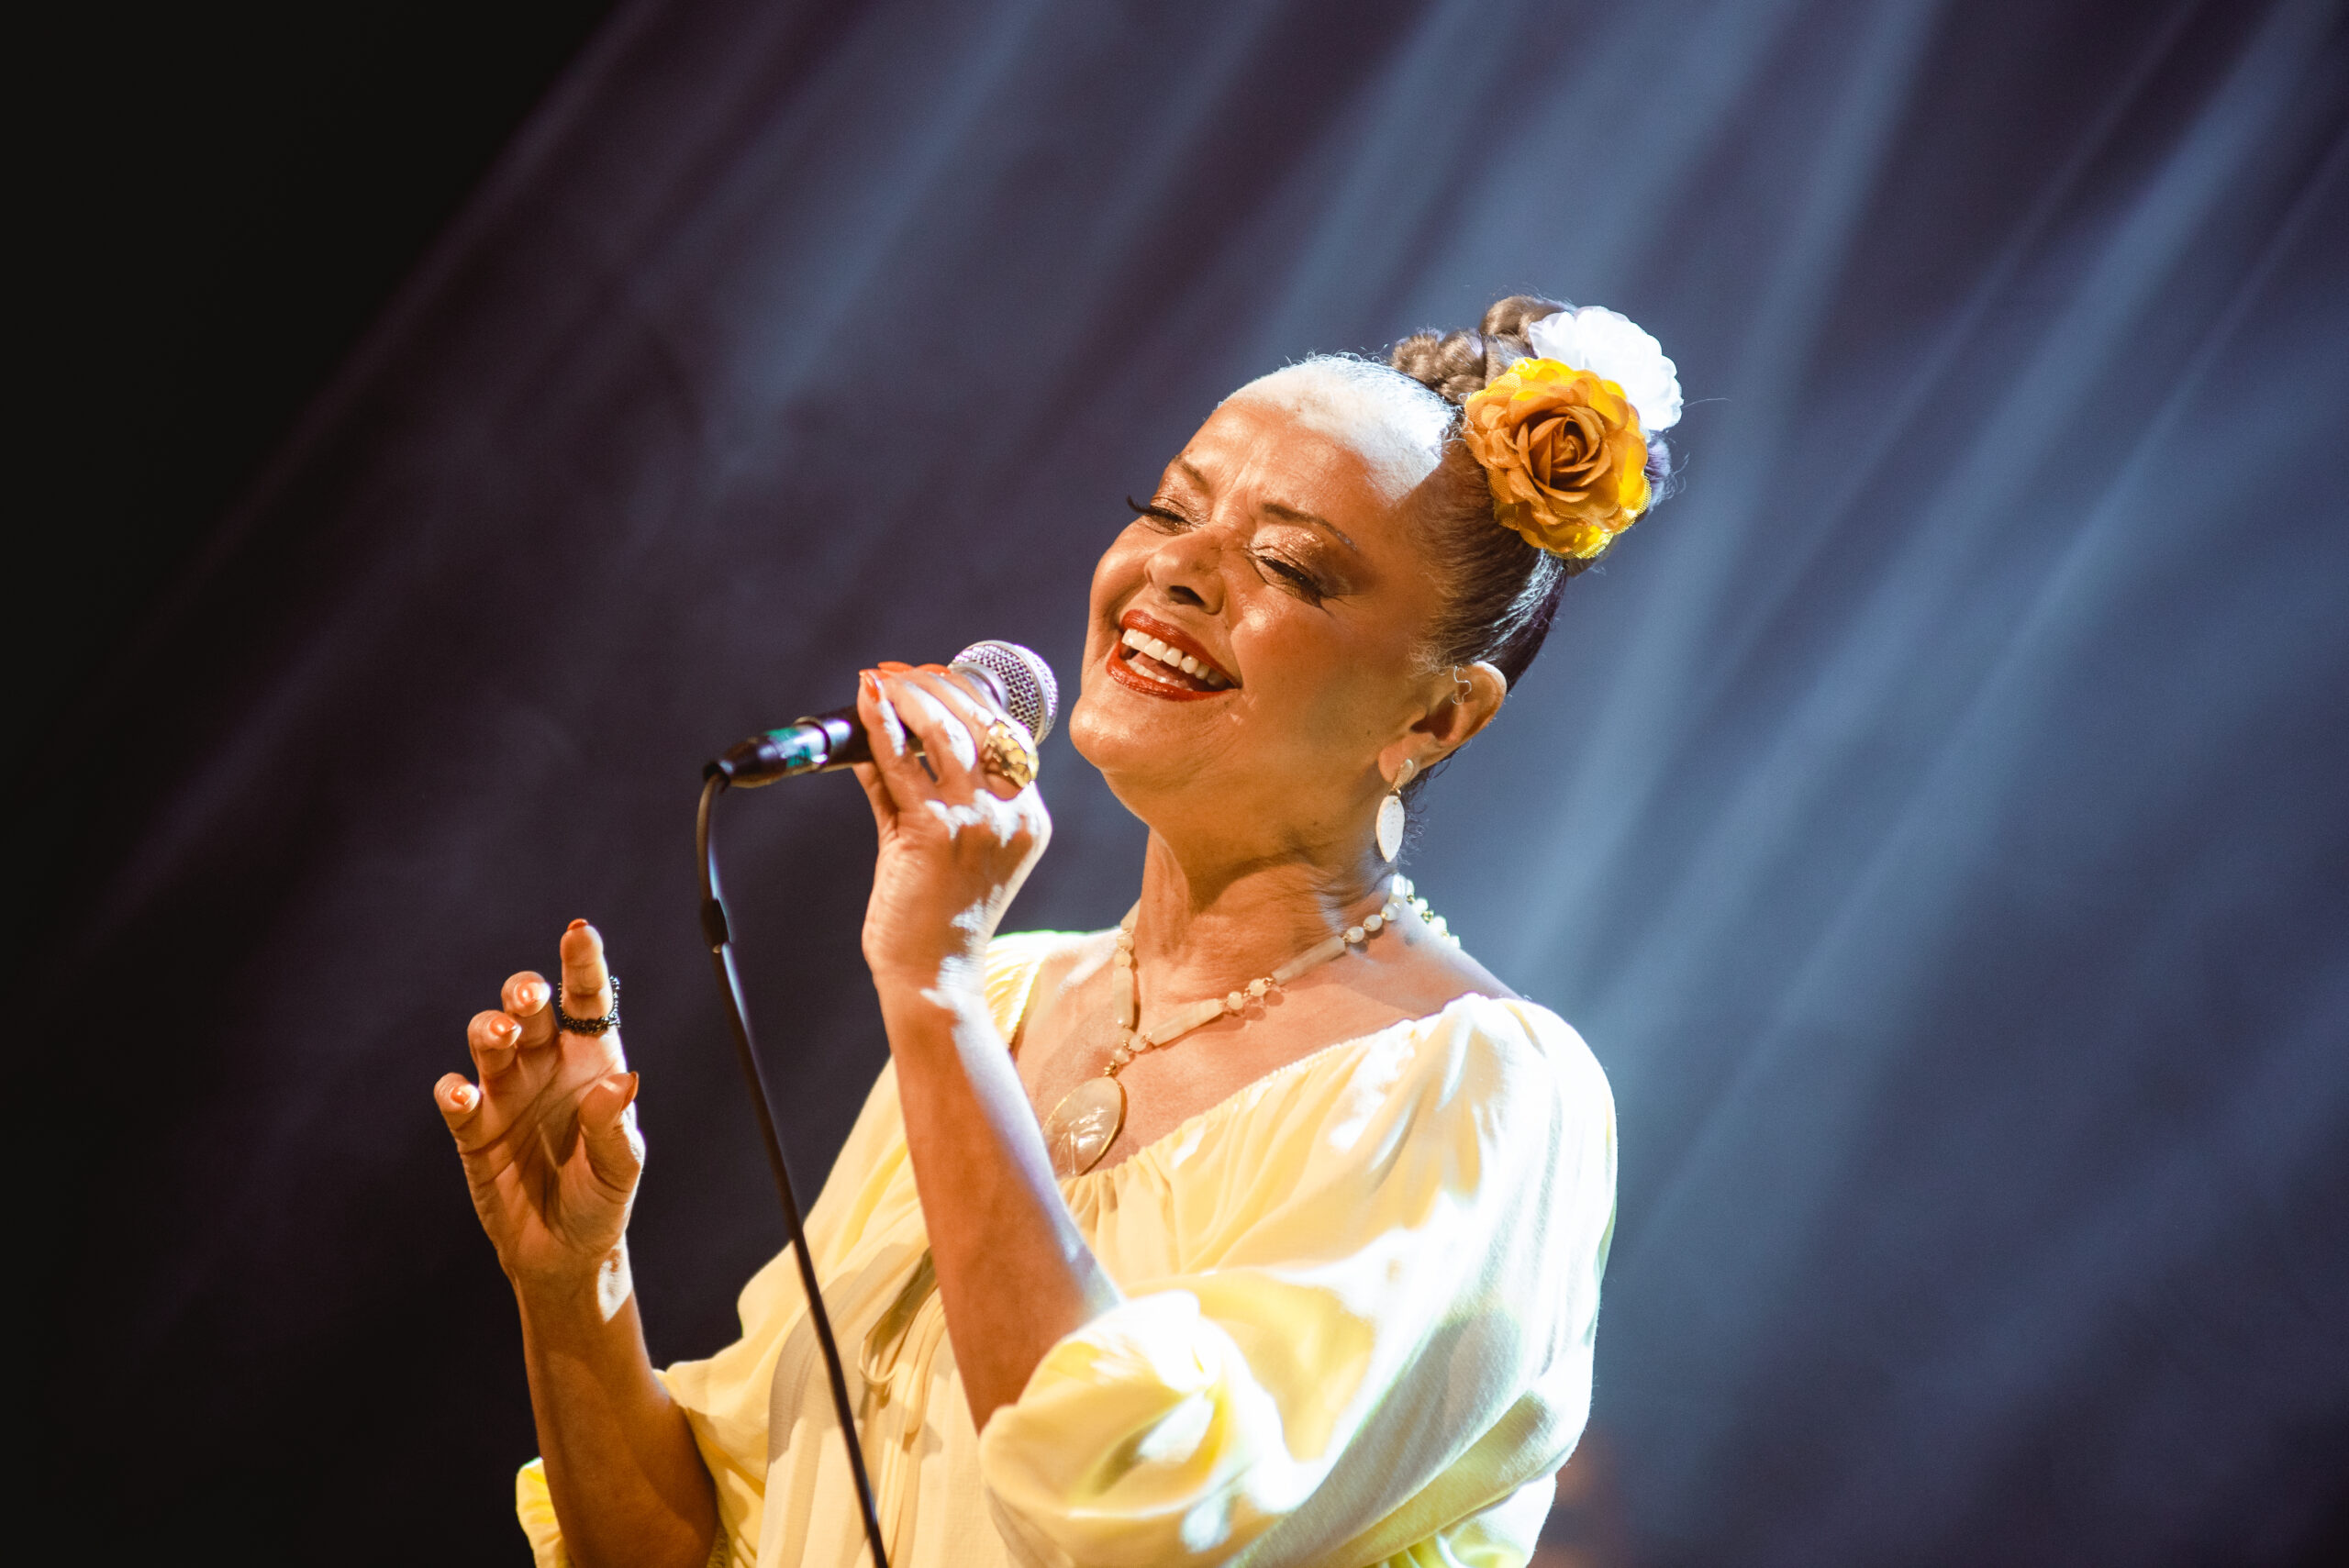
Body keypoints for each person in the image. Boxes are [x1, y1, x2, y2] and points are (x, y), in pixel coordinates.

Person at [436, 294, 1681, 1568]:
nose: (1179, 570)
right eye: (1169, 507)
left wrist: (931, 989)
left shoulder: (1482, 1093)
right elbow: (697, 1548)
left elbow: (1127, 1511)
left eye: (1292, 565)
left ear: (1435, 717)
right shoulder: (1011, 1000)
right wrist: (573, 1281)